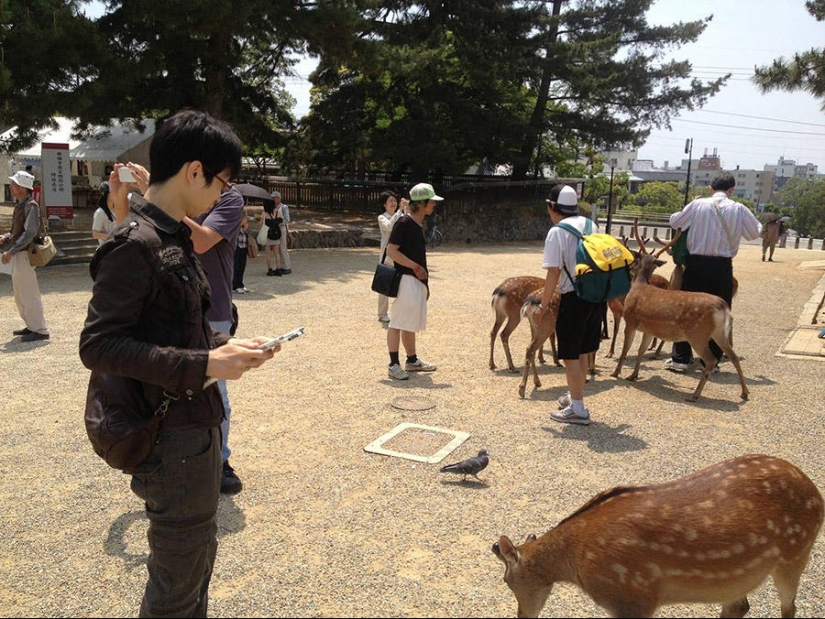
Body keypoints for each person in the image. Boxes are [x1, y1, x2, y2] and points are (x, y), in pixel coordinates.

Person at [79, 109, 277, 617]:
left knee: (194, 567)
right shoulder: (136, 245)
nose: (222, 195)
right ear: (195, 172)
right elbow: (98, 346)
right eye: (221, 182)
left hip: (195, 429)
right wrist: (205, 364)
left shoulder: (171, 238)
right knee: (176, 585)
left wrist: (224, 349)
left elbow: (175, 329)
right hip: (169, 438)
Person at [666, 172, 762, 373]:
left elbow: (675, 222)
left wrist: (690, 205)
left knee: (687, 310)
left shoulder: (698, 205)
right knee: (718, 312)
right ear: (731, 189)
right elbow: (754, 232)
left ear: (710, 188)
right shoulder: (739, 208)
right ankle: (711, 362)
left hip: (696, 264)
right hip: (722, 266)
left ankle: (681, 358)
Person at [185, 185, 247, 495]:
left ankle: (220, 461)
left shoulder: (229, 198)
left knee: (215, 387)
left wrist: (161, 202)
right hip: (174, 304)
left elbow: (201, 240)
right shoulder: (180, 191)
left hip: (214, 307)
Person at [533, 185, 600, 426]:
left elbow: (553, 272)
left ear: (552, 207)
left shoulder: (557, 232)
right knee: (583, 352)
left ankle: (579, 410)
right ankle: (575, 398)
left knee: (570, 356)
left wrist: (543, 305)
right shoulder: (592, 225)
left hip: (573, 299)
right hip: (596, 296)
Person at [385, 183, 441, 380]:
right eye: (431, 201)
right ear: (422, 203)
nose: (434, 204)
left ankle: (411, 360)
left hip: (415, 282)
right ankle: (393, 364)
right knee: (398, 321)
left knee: (408, 322)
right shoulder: (404, 223)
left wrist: (424, 285)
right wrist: (415, 268)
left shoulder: (415, 224)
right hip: (406, 280)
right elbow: (392, 251)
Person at [0, 170, 50, 342]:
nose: (12, 187)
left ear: (22, 187)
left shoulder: (30, 206)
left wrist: (11, 250)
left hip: (24, 254)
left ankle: (40, 329)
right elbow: (22, 231)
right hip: (19, 254)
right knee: (21, 294)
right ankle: (32, 326)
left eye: (14, 184)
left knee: (28, 293)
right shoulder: (23, 204)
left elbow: (29, 233)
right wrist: (7, 236)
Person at [376, 190, 402, 323]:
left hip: (400, 254)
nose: (394, 203)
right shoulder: (382, 217)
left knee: (402, 284)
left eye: (395, 201)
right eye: (390, 201)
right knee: (384, 286)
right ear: (384, 204)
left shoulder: (401, 216)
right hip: (387, 256)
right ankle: (382, 313)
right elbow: (390, 226)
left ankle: (400, 312)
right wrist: (400, 212)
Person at [261, 200, 285, 276]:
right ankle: (278, 269)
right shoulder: (278, 212)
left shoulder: (265, 213)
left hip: (268, 235)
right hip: (276, 234)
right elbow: (281, 221)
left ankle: (270, 269)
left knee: (268, 253)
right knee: (276, 253)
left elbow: (262, 223)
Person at [271, 191, 291, 274]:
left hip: (281, 229)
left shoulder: (284, 207)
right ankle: (281, 266)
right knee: (277, 249)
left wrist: (280, 224)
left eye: (274, 198)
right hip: (275, 230)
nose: (273, 199)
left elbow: (287, 219)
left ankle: (287, 266)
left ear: (278, 198)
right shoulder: (273, 207)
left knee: (283, 248)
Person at [91, 182, 117, 246]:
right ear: (105, 194)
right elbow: (95, 234)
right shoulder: (100, 213)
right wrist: (113, 238)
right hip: (107, 250)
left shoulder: (119, 210)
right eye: (113, 191)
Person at [233, 215, 252, 294]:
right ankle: (234, 286)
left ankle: (240, 284)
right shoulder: (235, 225)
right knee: (236, 266)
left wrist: (245, 227)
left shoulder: (243, 228)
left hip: (243, 246)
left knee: (242, 266)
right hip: (237, 247)